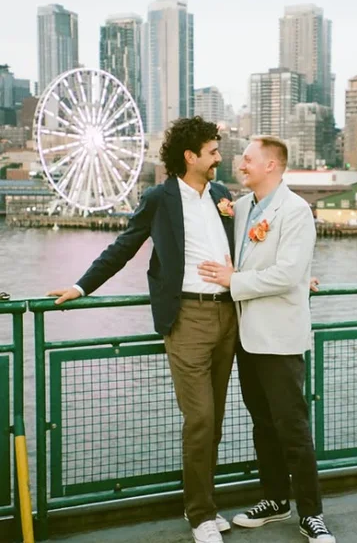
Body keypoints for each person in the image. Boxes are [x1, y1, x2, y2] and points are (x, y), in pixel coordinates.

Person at [47, 117, 239, 543]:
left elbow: (247, 245)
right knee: (200, 418)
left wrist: (294, 277)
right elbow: (124, 246)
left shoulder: (222, 195)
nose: (219, 158)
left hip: (229, 316)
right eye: (212, 152)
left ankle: (206, 503)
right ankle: (200, 515)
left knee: (216, 419)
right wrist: (81, 286)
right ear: (190, 156)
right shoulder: (159, 199)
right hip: (187, 318)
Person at [197, 136, 335, 543]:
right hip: (246, 338)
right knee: (262, 424)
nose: (241, 165)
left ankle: (312, 514)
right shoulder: (240, 208)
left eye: (248, 159)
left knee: (293, 428)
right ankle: (275, 500)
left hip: (280, 338)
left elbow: (288, 274)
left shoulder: (296, 211)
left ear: (271, 165)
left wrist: (233, 280)